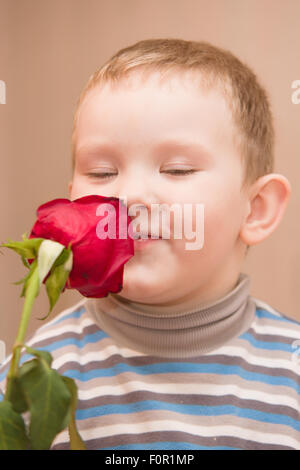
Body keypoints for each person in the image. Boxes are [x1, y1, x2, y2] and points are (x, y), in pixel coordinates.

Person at [1, 38, 299, 450]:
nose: (130, 196)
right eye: (103, 173)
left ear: (255, 210)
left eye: (177, 169)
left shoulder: (291, 371)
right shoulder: (28, 376)